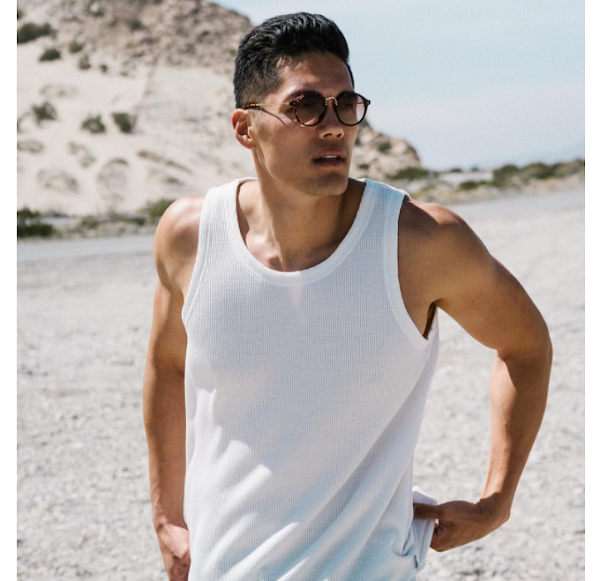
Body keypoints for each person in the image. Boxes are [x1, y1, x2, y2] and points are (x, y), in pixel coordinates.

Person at [142, 12, 552, 581]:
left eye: (346, 105)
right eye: (305, 106)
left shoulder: (419, 242)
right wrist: (167, 516)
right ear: (245, 128)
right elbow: (167, 364)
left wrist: (495, 500)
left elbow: (526, 347)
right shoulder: (190, 237)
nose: (333, 126)